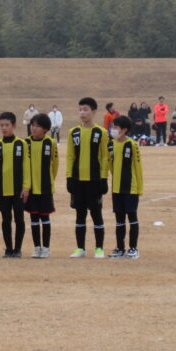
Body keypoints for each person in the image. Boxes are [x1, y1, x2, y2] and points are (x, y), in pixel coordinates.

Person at [67, 97, 109, 258]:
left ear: (94, 111)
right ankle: (80, 248)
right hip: (78, 180)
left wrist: (104, 178)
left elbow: (104, 157)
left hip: (94, 180)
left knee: (96, 214)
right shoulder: (73, 132)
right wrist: (69, 177)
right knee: (80, 214)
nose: (82, 113)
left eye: (85, 109)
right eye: (80, 109)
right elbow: (70, 156)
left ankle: (99, 248)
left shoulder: (101, 132)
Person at [0, 111, 30, 258]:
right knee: (5, 220)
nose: (4, 128)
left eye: (7, 125)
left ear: (13, 126)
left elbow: (26, 167)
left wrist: (26, 187)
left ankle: (17, 249)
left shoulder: (21, 144)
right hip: (3, 190)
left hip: (18, 190)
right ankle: (8, 249)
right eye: (1, 125)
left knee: (19, 219)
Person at [108, 116, 143, 259]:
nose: (113, 130)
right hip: (116, 188)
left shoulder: (132, 145)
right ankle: (120, 248)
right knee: (119, 219)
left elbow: (138, 166)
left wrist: (139, 188)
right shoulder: (110, 145)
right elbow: (110, 164)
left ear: (124, 130)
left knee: (132, 216)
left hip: (130, 187)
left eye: (115, 127)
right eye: (113, 127)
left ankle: (133, 248)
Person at [25, 113, 58, 258]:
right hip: (31, 188)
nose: (34, 128)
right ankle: (37, 247)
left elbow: (55, 164)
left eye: (37, 126)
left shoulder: (50, 143)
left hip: (45, 187)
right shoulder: (26, 143)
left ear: (45, 129)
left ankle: (46, 248)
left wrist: (50, 180)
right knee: (33, 218)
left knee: (45, 218)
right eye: (32, 125)